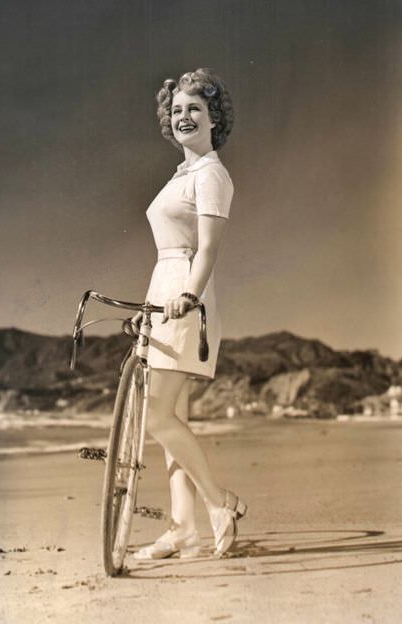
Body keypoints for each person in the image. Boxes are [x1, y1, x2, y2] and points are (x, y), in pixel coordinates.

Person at [129, 68, 247, 560]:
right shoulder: (182, 175)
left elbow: (206, 250)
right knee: (165, 417)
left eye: (195, 108)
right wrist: (151, 306)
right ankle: (182, 528)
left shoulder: (212, 176)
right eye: (176, 109)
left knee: (156, 415)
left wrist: (189, 297)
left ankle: (220, 503)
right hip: (164, 288)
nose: (184, 116)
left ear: (213, 117)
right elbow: (168, 252)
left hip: (185, 294)